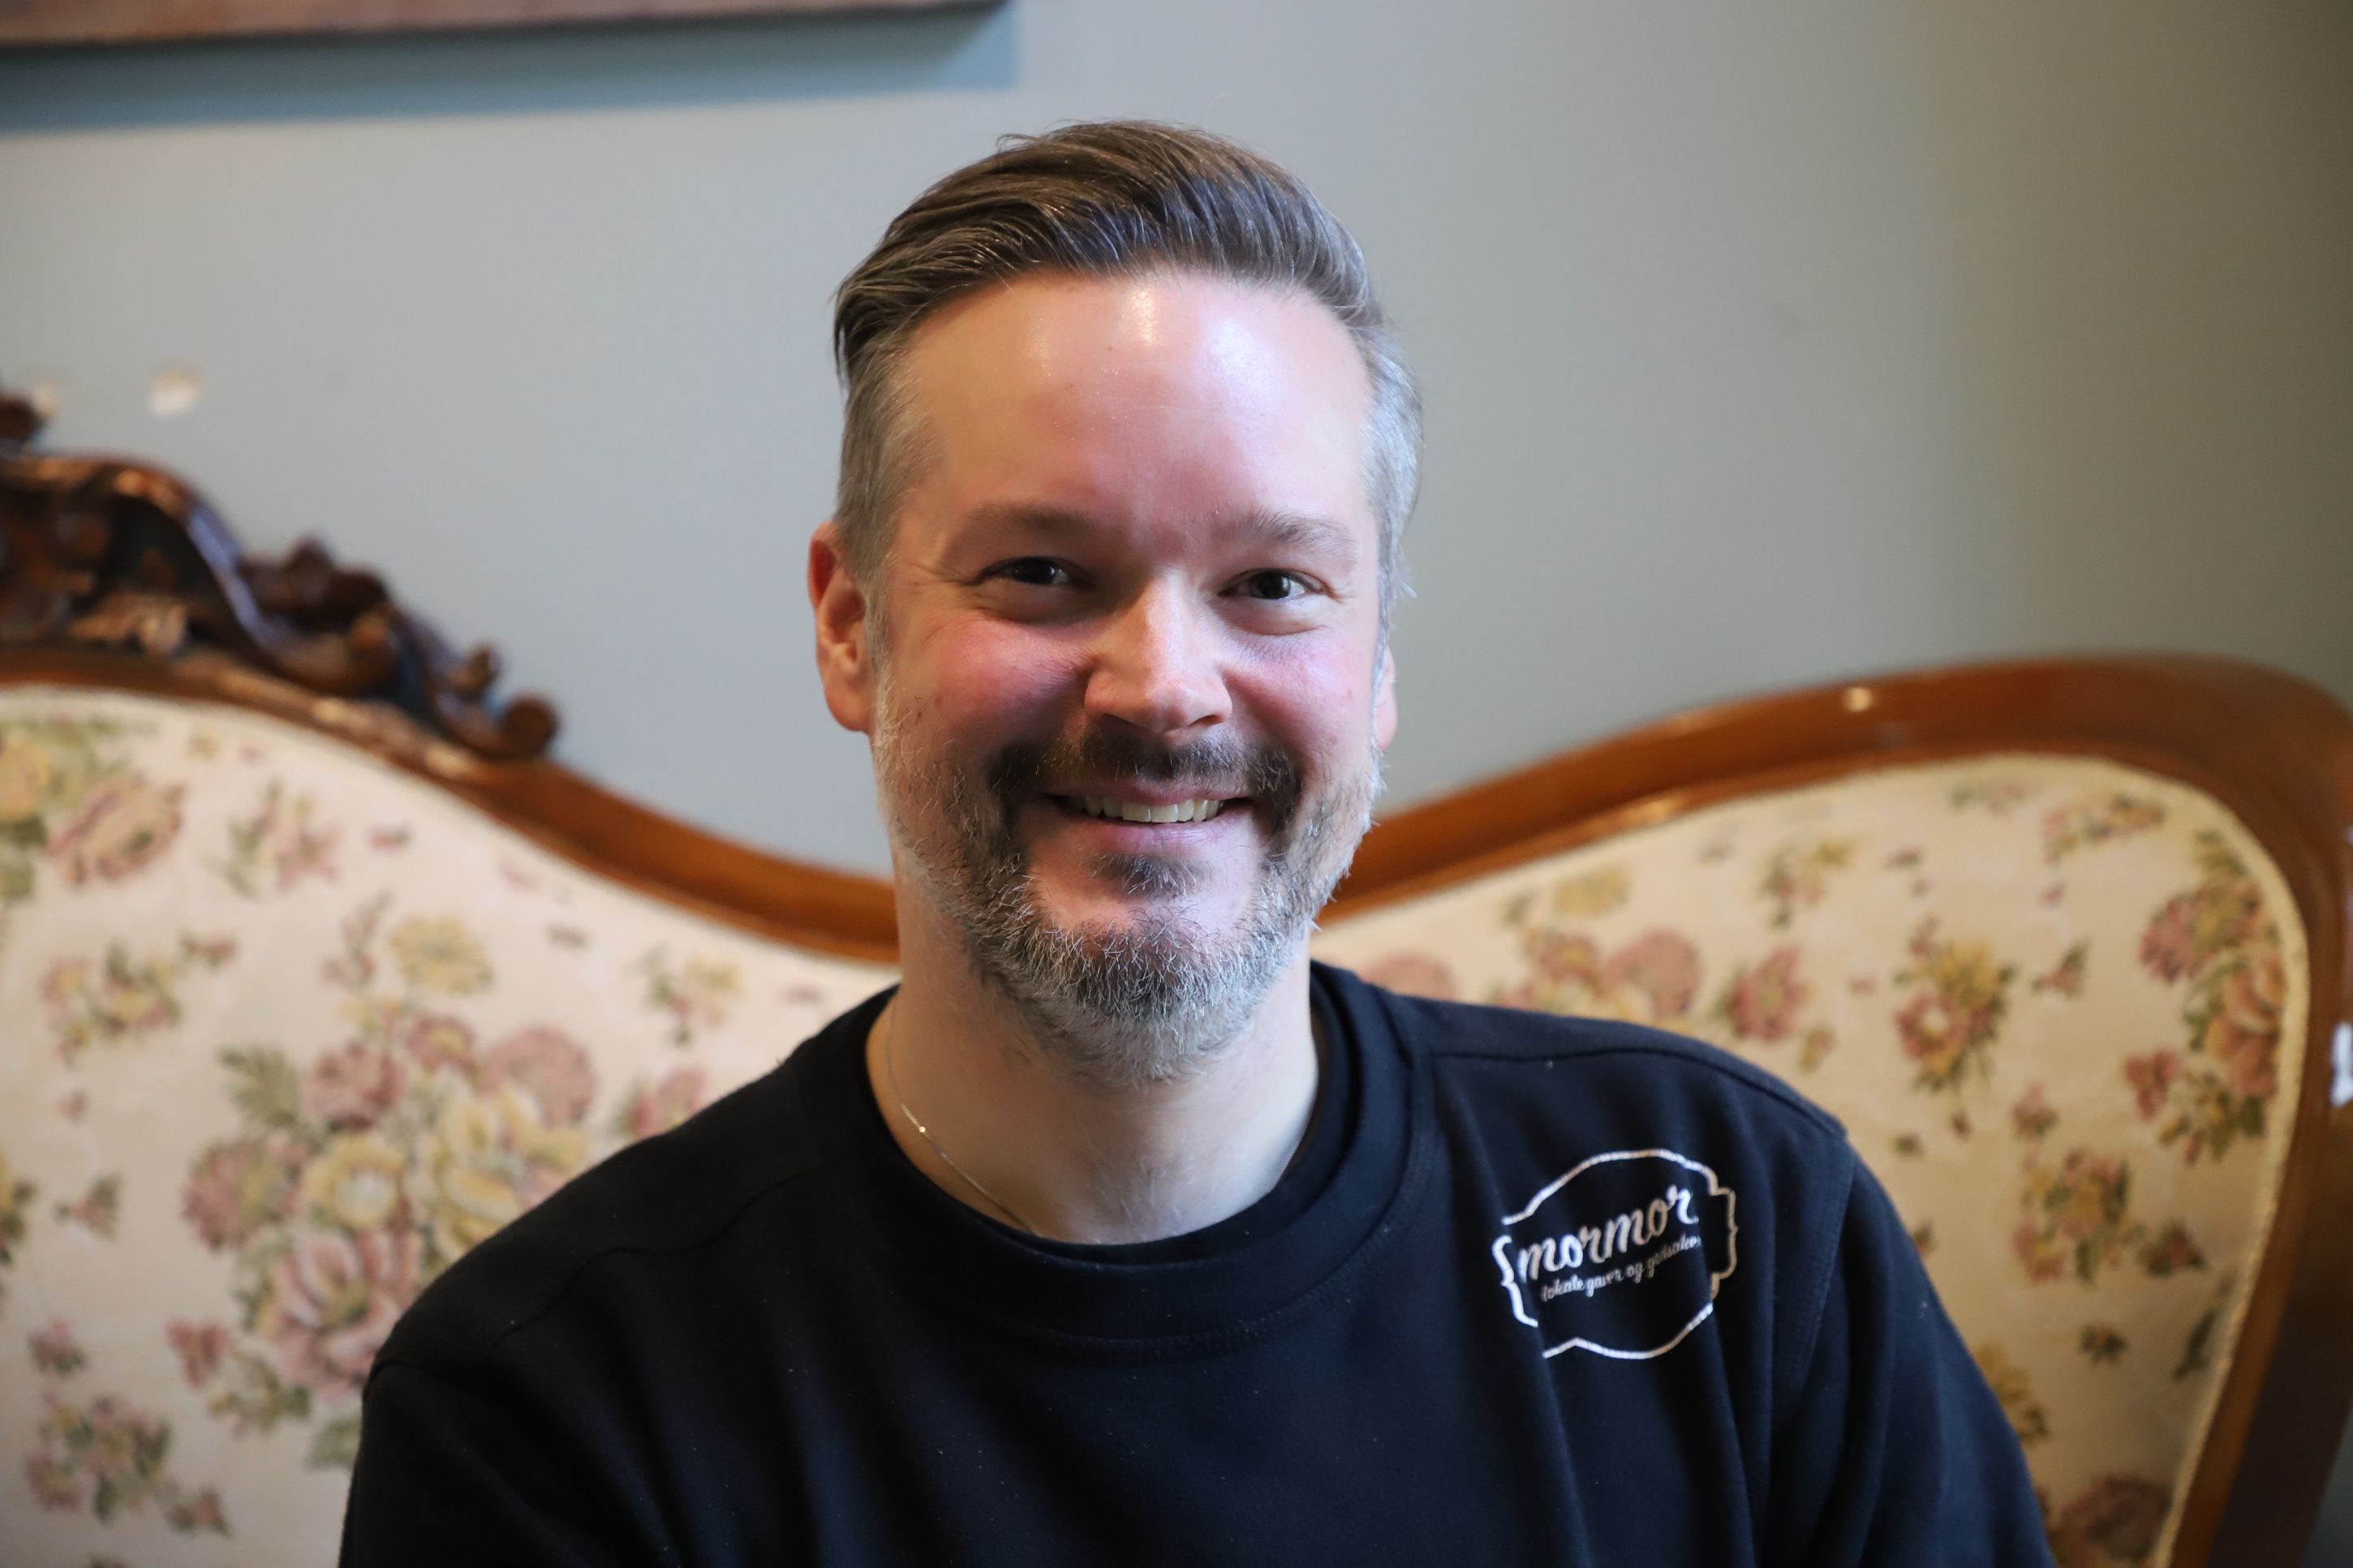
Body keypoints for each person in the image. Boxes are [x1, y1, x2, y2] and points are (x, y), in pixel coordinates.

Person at [341, 121, 2051, 1566]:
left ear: (1377, 662)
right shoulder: (552, 1405)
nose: (1165, 687)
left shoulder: (1728, 1223)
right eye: (1041, 573)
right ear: (851, 625)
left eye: (1272, 585)